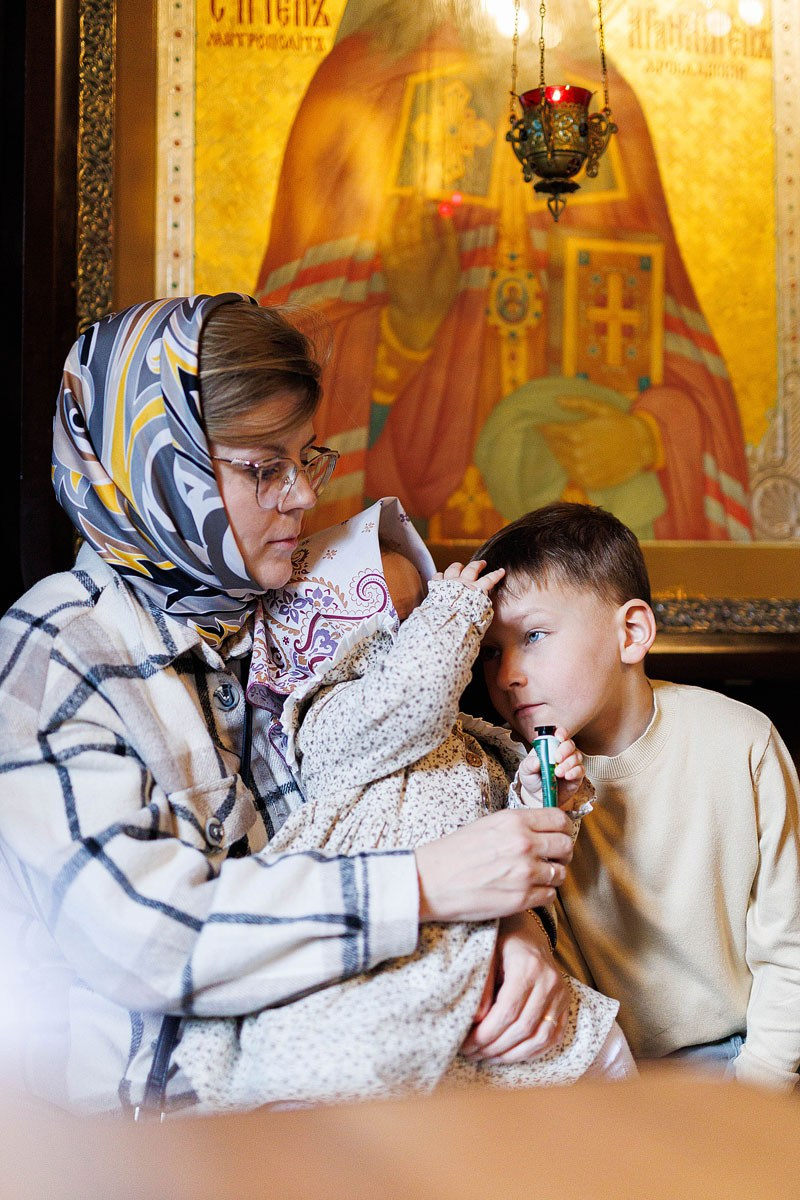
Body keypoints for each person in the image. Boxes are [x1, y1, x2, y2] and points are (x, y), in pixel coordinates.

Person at [0, 293, 576, 1116]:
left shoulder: (304, 614)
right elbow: (147, 940)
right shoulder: (57, 648)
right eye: (262, 467)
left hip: (352, 1102)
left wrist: (504, 934)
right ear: (159, 467)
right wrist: (421, 889)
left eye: (306, 458)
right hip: (150, 1144)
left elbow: (393, 803)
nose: (302, 498)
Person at [174, 497, 633, 1110]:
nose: (428, 628)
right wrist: (457, 606)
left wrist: (546, 795)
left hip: (475, 941)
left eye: (426, 611)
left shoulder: (470, 741)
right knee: (351, 1065)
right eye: (401, 618)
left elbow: (519, 840)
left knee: (601, 1052)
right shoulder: (324, 717)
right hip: (385, 948)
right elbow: (409, 698)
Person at [255, 0, 752, 542]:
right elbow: (280, 375)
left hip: (580, 556)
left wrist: (647, 438)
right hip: (404, 554)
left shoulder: (602, 106)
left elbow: (684, 362)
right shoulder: (362, 88)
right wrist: (404, 336)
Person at [474, 501, 800, 1091]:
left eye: (534, 636)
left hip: (738, 1057)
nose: (506, 675)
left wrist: (760, 1089)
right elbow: (520, 930)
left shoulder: (743, 743)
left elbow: (791, 943)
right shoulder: (503, 771)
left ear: (631, 633)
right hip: (589, 1065)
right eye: (492, 650)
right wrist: (543, 810)